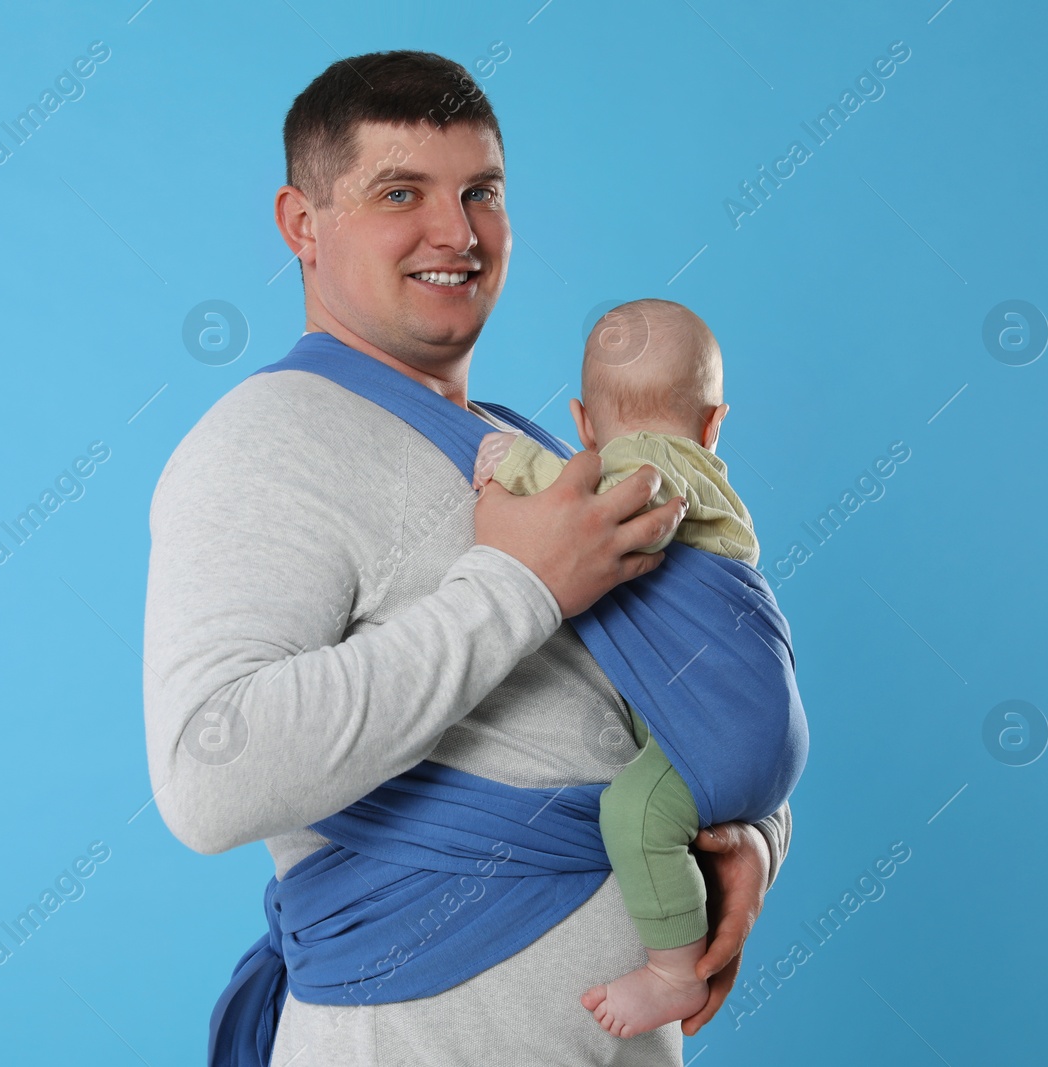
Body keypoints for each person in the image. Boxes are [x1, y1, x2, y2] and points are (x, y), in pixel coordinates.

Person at [143, 50, 791, 1065]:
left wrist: (751, 837)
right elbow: (207, 775)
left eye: (480, 191)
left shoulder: (526, 448)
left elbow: (666, 704)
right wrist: (519, 584)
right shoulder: (265, 440)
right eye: (400, 191)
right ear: (301, 224)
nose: (456, 232)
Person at [473, 298, 798, 1038]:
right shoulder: (716, 489)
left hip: (713, 739)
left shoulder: (644, 473)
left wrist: (515, 463)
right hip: (758, 732)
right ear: (716, 424)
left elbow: (595, 495)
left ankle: (672, 969)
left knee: (635, 811)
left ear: (582, 422)